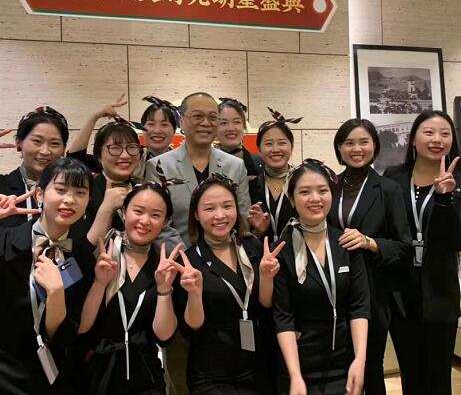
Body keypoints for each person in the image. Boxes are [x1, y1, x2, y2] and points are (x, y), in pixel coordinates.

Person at [78, 180, 196, 395]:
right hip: (98, 372)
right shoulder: (101, 254)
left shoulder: (164, 266)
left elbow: (164, 337)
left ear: (165, 222)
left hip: (146, 375)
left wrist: (164, 290)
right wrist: (99, 283)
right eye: (138, 211)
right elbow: (83, 327)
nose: (144, 221)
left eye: (155, 215)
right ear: (124, 213)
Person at [173, 174, 284, 395]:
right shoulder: (188, 262)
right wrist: (194, 293)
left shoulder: (253, 247)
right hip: (212, 373)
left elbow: (265, 306)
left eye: (227, 206)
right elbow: (191, 329)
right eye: (209, 208)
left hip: (259, 366)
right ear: (196, 214)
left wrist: (266, 277)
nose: (220, 215)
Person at [328, 118, 412, 395]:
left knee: (370, 366)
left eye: (364, 142)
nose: (357, 149)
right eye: (349, 143)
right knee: (340, 365)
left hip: (373, 291)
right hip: (335, 289)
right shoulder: (329, 186)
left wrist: (370, 242)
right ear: (339, 148)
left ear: (374, 146)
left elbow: (404, 248)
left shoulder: (388, 189)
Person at [274, 159, 369, 395]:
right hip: (300, 364)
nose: (315, 198)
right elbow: (283, 317)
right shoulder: (282, 250)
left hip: (345, 360)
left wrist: (360, 360)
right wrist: (295, 376)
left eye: (322, 190)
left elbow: (359, 306)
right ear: (291, 199)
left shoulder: (347, 242)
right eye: (305, 192)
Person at [0, 157, 95, 395]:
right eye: (61, 190)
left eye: (80, 193)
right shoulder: (5, 240)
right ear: (40, 194)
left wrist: (56, 294)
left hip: (53, 377)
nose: (70, 200)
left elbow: (65, 336)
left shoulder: (84, 258)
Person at [383, 110, 461, 395]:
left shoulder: (458, 181)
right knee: (410, 374)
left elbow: (456, 240)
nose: (437, 139)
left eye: (445, 134)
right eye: (428, 132)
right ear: (413, 138)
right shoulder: (394, 177)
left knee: (438, 377)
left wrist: (444, 199)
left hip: (440, 291)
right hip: (402, 293)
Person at [145, 92, 250, 248]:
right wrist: (188, 258)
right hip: (178, 257)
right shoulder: (159, 166)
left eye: (213, 117)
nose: (206, 123)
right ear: (181, 121)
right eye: (198, 116)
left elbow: (242, 219)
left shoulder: (235, 166)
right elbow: (158, 224)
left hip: (226, 255)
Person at [68, 119, 144, 242]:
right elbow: (78, 246)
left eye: (132, 147)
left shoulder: (144, 189)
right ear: (98, 155)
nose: (125, 155)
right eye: (115, 148)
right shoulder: (84, 192)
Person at [0, 106, 69, 227]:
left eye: (54, 143)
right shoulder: (2, 187)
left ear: (63, 149)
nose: (45, 151)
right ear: (19, 143)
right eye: (37, 141)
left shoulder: (76, 192)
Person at [247, 107, 301, 243]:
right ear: (259, 150)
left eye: (282, 143)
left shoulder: (303, 182)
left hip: (299, 253)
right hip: (260, 254)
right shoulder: (249, 186)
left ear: (292, 147)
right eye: (268, 144)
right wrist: (258, 231)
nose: (275, 149)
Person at [216, 97, 262, 193]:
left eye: (237, 122)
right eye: (223, 123)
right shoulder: (205, 162)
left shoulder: (259, 163)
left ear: (244, 126)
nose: (231, 128)